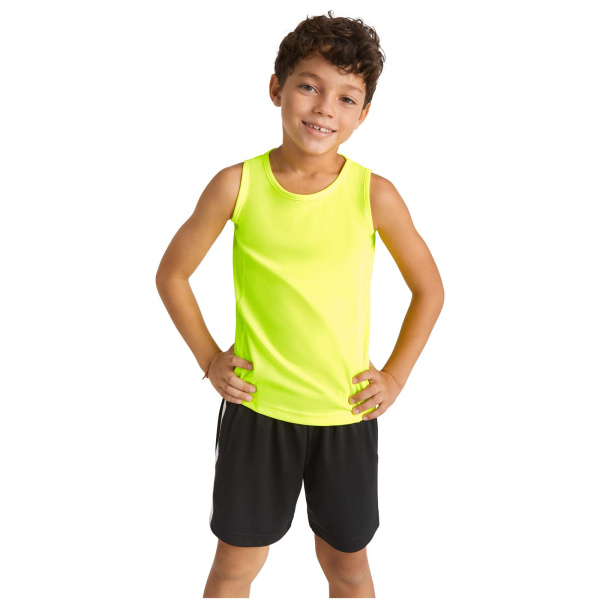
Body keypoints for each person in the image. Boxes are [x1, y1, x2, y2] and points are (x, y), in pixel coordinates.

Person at [156, 10, 444, 599]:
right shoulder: (237, 184)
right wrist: (209, 358)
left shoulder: (375, 194)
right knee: (234, 567)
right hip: (258, 410)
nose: (324, 109)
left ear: (363, 114)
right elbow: (173, 274)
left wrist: (395, 377)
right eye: (309, 86)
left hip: (345, 413)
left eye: (346, 98)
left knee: (347, 568)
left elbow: (429, 290)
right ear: (277, 88)